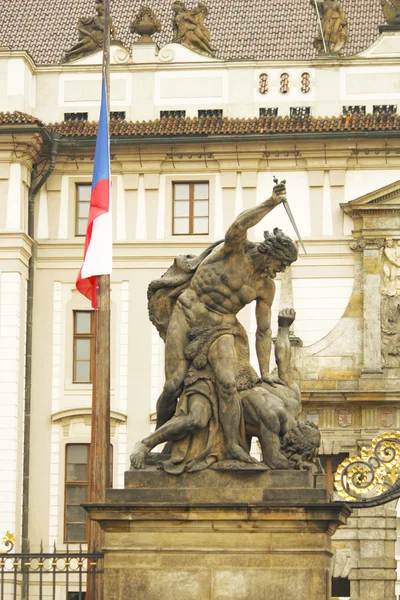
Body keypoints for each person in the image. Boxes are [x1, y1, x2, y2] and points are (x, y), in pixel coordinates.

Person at [150, 181, 298, 464]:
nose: (279, 272)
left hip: (223, 328)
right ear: (271, 253)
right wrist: (270, 202)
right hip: (188, 313)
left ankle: (232, 445)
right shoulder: (235, 251)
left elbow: (264, 330)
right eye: (280, 265)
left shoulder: (265, 287)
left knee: (229, 384)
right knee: (173, 385)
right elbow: (239, 225)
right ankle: (161, 442)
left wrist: (265, 371)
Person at [131, 309, 305, 472]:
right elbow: (275, 462)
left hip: (232, 378)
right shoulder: (272, 418)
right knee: (194, 417)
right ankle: (145, 444)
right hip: (214, 374)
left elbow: (284, 362)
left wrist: (283, 327)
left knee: (195, 417)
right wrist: (298, 467)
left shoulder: (292, 399)